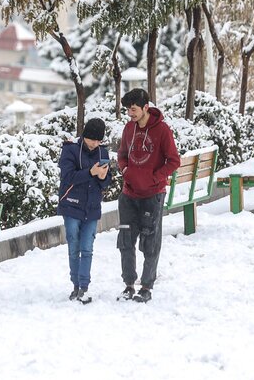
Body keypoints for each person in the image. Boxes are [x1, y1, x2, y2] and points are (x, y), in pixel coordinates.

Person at [116, 88, 180, 303]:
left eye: (133, 109)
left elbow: (173, 161)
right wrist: (125, 171)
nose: (130, 114)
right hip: (129, 194)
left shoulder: (162, 130)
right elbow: (122, 155)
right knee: (125, 241)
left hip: (152, 195)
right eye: (128, 110)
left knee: (150, 241)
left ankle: (146, 286)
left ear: (145, 107)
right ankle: (128, 284)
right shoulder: (128, 128)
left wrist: (154, 178)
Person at [57, 117, 112, 304]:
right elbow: (67, 177)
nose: (95, 144)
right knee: (74, 247)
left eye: (99, 141)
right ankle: (75, 285)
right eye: (92, 139)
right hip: (71, 206)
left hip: (92, 207)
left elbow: (106, 181)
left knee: (87, 248)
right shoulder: (70, 150)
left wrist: (104, 177)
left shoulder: (102, 152)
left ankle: (84, 287)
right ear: (85, 136)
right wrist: (91, 173)